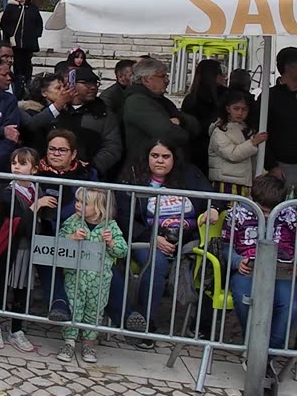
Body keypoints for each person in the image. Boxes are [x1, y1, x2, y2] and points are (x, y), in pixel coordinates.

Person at [108, 139, 212, 348]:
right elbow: (124, 218)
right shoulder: (134, 179)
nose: (160, 161)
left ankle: (201, 325)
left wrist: (214, 208)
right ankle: (146, 325)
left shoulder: (189, 176)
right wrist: (152, 238)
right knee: (157, 263)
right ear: (147, 158)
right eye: (155, 156)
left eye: (166, 156)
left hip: (186, 242)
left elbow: (213, 197)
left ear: (174, 158)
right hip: (146, 240)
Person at [222, 174, 297, 356]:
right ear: (253, 199)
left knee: (290, 307)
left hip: (282, 271)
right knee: (244, 298)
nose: (267, 216)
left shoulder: (291, 215)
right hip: (248, 269)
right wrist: (237, 261)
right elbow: (224, 246)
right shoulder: (237, 214)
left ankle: (265, 357)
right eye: (262, 211)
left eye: (271, 212)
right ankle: (253, 346)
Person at [58, 186, 128, 365]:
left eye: (84, 203)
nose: (78, 205)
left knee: (94, 311)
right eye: (78, 201)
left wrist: (111, 242)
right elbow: (59, 245)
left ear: (99, 207)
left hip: (100, 279)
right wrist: (72, 238)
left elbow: (122, 251)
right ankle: (69, 342)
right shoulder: (73, 221)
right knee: (74, 307)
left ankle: (89, 343)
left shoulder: (110, 226)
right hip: (75, 276)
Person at [0, 148, 45, 353]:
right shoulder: (7, 191)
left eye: (23, 164)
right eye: (14, 163)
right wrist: (37, 206)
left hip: (28, 249)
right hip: (7, 247)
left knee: (22, 288)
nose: (17, 167)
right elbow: (19, 220)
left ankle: (17, 329)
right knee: (0, 286)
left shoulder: (39, 190)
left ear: (35, 169)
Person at [36, 129, 100, 322]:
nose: (56, 153)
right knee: (46, 251)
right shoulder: (36, 171)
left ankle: (127, 315)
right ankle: (59, 304)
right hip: (46, 229)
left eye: (62, 150)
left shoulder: (88, 174)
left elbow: (97, 204)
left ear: (73, 154)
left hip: (81, 230)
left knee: (101, 262)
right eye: (52, 149)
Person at [24, 68, 123, 181]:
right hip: (49, 176)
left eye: (95, 83)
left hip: (88, 180)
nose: (93, 87)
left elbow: (112, 147)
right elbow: (31, 129)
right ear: (71, 84)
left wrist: (92, 169)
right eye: (86, 83)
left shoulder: (104, 114)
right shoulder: (53, 111)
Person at [122, 57, 200, 170]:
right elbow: (171, 134)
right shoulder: (137, 102)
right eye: (163, 76)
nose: (167, 80)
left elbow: (195, 126)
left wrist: (181, 121)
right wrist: (182, 127)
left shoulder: (161, 100)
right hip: (146, 169)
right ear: (146, 80)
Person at [208, 90, 267, 195]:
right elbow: (232, 154)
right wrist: (253, 143)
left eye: (244, 109)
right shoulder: (219, 131)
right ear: (228, 109)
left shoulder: (246, 129)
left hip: (244, 182)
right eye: (236, 108)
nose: (240, 113)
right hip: (225, 184)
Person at [180, 58, 226, 176]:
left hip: (199, 151)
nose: (224, 77)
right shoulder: (223, 97)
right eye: (220, 73)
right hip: (207, 150)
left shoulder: (191, 99)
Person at [0, 0, 43, 81]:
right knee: (17, 65)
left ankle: (27, 84)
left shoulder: (33, 8)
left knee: (27, 64)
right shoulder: (10, 7)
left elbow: (38, 23)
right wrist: (10, 34)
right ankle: (18, 84)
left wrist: (35, 35)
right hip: (15, 43)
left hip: (28, 44)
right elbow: (4, 24)